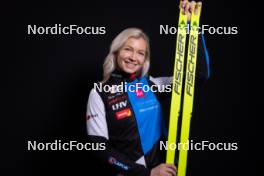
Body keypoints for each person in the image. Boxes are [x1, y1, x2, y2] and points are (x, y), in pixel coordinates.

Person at [86, 1, 210, 175]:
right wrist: (148, 173)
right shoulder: (98, 93)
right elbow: (99, 149)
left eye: (140, 53)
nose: (133, 57)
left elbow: (198, 76)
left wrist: (192, 25)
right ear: (116, 51)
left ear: (145, 59)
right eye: (128, 49)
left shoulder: (152, 85)